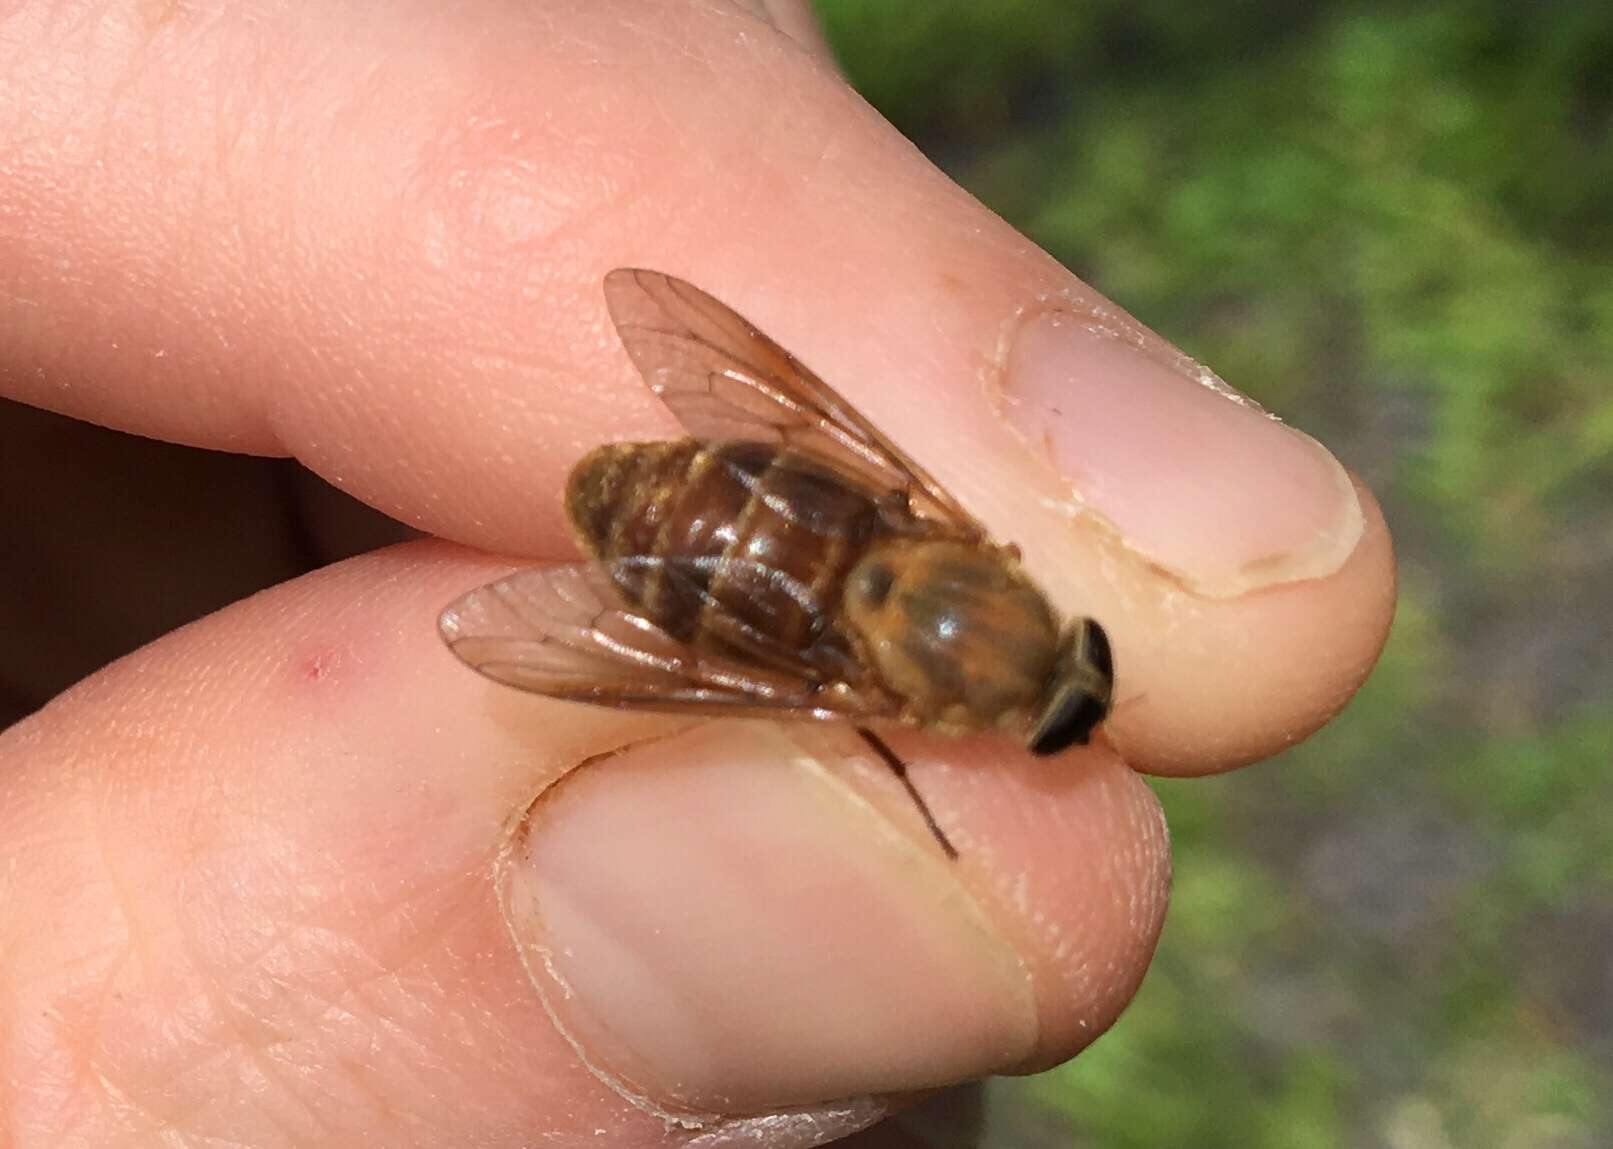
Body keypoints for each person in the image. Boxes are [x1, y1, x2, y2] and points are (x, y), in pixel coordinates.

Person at [0, 2, 1395, 1145]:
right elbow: (771, 675)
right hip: (713, 551)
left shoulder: (967, 564)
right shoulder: (896, 685)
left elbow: (794, 420)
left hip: (755, 500)